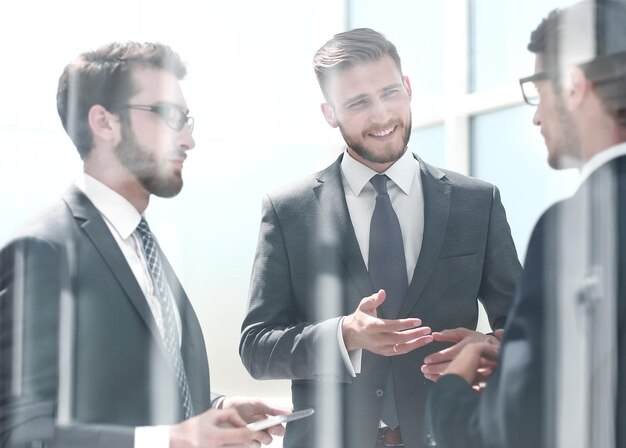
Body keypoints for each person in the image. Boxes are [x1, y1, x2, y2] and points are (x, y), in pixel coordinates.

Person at [239, 28, 521, 448]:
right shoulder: (288, 211)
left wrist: (488, 348)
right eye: (358, 103)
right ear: (329, 112)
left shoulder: (476, 201)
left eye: (390, 93)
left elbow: (525, 326)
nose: (382, 116)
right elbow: (256, 347)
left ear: (407, 88)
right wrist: (344, 335)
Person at [0, 42, 287, 448]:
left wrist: (215, 411)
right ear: (103, 122)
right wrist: (170, 440)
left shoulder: (141, 243)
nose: (188, 140)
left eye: (187, 120)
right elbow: (20, 434)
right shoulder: (44, 251)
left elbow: (132, 393)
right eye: (169, 116)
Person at [424, 1, 626, 447]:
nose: (536, 115)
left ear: (574, 85)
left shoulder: (575, 227)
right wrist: (527, 362)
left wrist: (452, 393)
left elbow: (508, 431)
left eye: (539, 89)